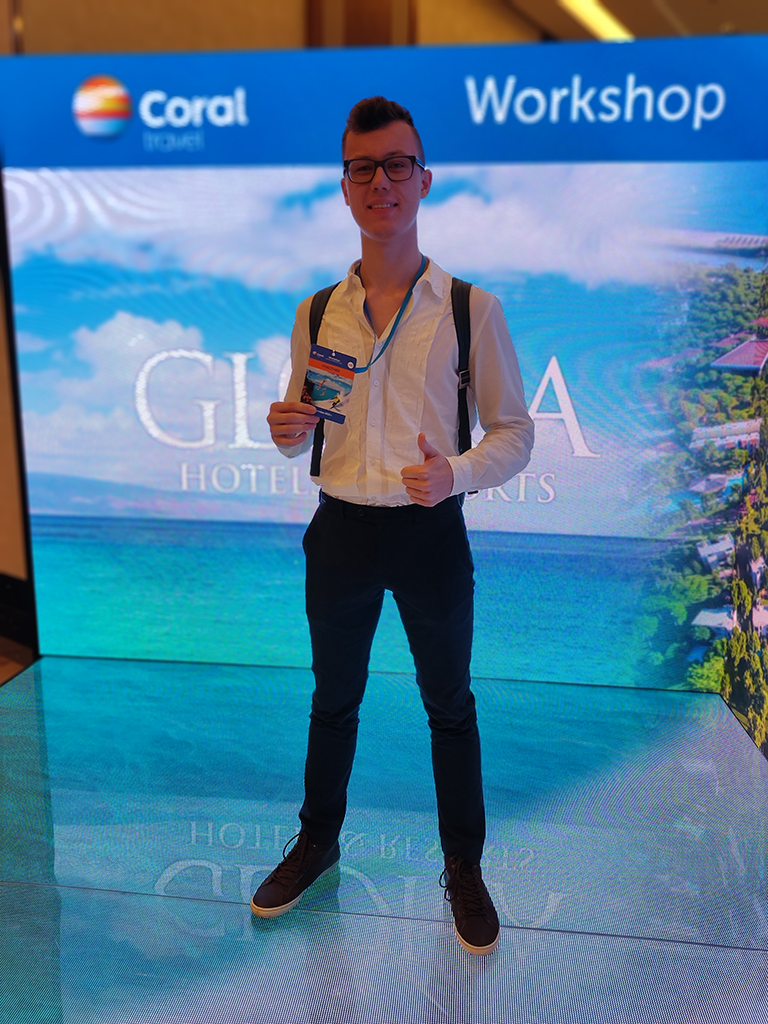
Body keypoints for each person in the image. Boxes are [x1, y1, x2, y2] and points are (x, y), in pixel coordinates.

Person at [252, 96, 534, 956]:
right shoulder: (316, 312)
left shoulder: (468, 308)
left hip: (428, 533)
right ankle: (318, 843)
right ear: (344, 186)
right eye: (363, 168)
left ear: (424, 179)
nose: (382, 182)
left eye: (397, 165)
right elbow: (306, 421)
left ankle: (464, 867)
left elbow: (515, 433)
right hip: (339, 530)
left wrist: (456, 474)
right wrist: (286, 428)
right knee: (332, 701)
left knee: (450, 706)